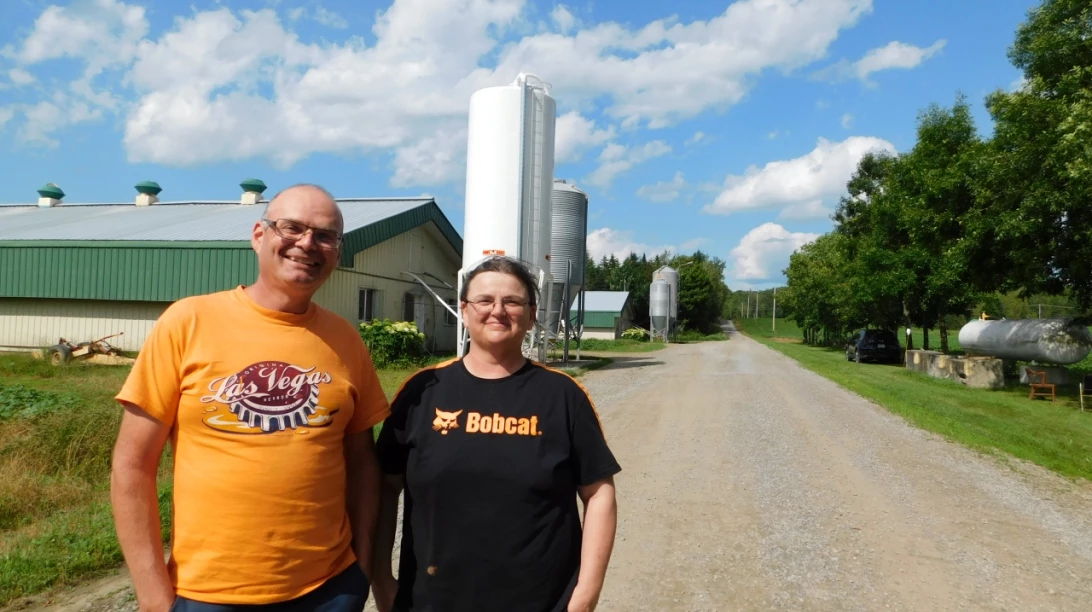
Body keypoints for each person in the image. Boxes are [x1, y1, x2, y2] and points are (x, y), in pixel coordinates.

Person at [110, 184, 390, 611]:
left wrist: (363, 568)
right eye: (291, 228)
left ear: (337, 251)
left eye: (325, 235)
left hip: (329, 589)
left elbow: (361, 462)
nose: (307, 244)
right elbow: (132, 466)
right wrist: (152, 597)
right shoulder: (188, 322)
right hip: (208, 595)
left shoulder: (345, 340)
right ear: (259, 235)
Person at [370, 256, 620, 612]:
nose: (497, 311)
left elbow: (599, 495)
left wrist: (585, 594)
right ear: (465, 310)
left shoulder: (563, 395)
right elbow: (383, 487)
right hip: (430, 599)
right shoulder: (422, 391)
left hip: (542, 600)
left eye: (513, 301)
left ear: (532, 314)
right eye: (484, 300)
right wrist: (381, 578)